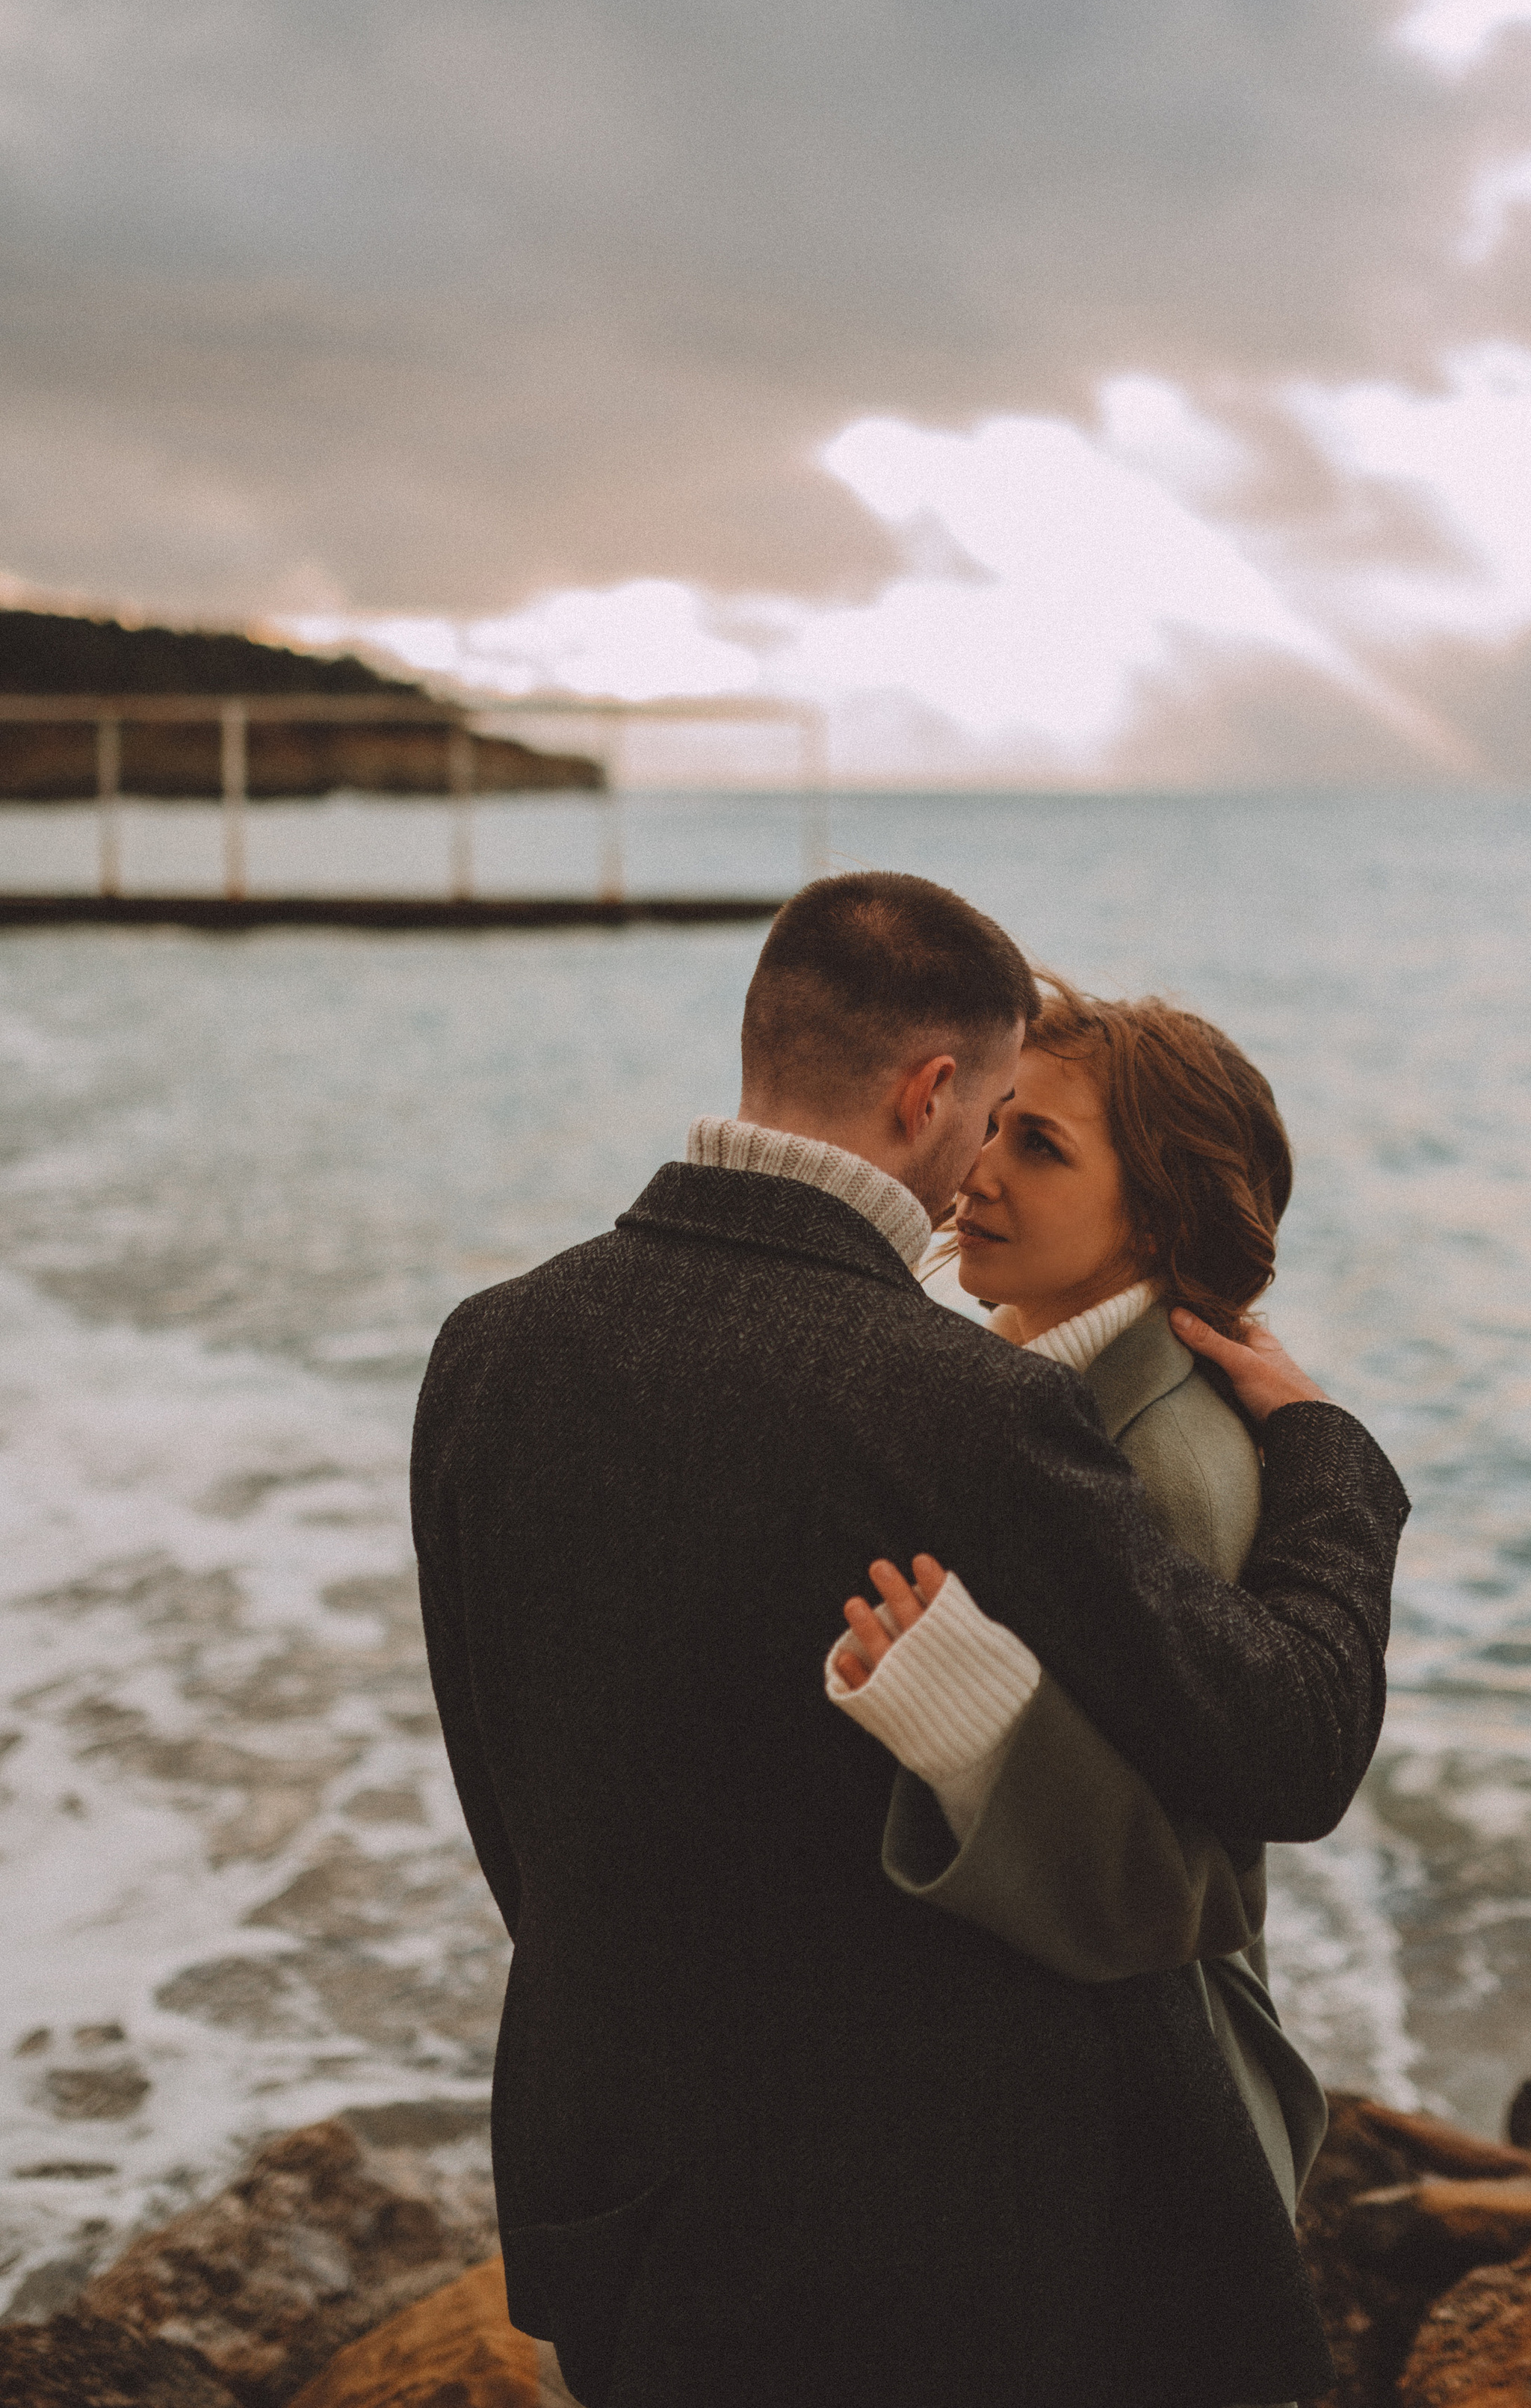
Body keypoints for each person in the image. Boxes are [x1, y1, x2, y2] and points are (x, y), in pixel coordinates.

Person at [412, 872, 1405, 2408]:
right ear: (933, 1089)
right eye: (996, 1110)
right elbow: (1288, 1740)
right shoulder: (965, 1404)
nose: (986, 1162)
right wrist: (1331, 1457)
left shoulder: (486, 1347)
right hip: (920, 2260)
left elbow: (508, 1789)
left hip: (607, 2189)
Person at [823, 981, 1386, 2243]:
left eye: (1044, 1146)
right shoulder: (1023, 1387)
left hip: (1140, 2137)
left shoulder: (1167, 1464)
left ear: (1160, 1222)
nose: (979, 1171)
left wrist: (969, 1727)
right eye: (995, 1120)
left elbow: (1178, 1884)